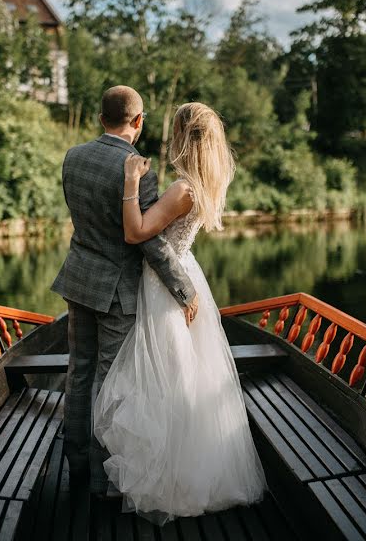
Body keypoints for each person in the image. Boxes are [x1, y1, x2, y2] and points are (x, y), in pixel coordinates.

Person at [93, 101, 267, 524]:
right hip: (185, 275)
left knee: (165, 377)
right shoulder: (203, 183)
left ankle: (171, 476)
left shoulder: (181, 190)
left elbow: (136, 232)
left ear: (182, 136)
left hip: (162, 285)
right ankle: (190, 470)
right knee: (183, 375)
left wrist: (131, 181)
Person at [51, 85, 199, 498]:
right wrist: (183, 289)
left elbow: (83, 219)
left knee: (78, 373)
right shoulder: (139, 170)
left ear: (101, 119)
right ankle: (105, 482)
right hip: (117, 292)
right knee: (111, 381)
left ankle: (77, 468)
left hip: (78, 280)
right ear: (138, 121)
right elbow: (148, 241)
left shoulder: (73, 157)